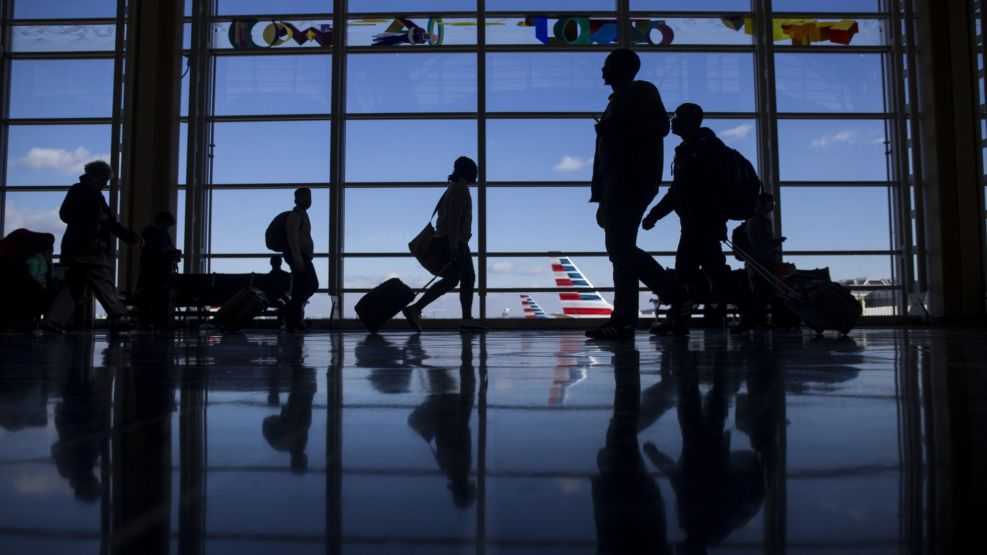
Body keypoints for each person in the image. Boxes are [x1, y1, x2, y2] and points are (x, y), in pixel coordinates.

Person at [587, 48, 686, 341]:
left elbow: (657, 126)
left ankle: (674, 292)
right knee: (622, 252)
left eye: (607, 66)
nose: (602, 71)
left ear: (624, 68)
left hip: (629, 181)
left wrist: (616, 129)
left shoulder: (639, 91)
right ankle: (623, 320)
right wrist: (601, 195)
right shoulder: (619, 100)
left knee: (619, 249)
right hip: (617, 184)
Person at [643, 103, 737, 336]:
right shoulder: (688, 149)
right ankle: (678, 321)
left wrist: (718, 222)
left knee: (700, 272)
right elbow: (678, 192)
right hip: (693, 223)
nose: (673, 120)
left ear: (692, 120)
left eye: (678, 116)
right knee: (698, 272)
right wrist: (655, 215)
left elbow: (717, 190)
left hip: (702, 223)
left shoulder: (707, 150)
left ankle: (679, 320)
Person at [42, 160, 141, 334]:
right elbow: (109, 223)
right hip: (91, 249)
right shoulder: (94, 195)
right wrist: (130, 237)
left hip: (75, 247)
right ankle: (119, 317)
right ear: (95, 177)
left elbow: (65, 215)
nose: (105, 184)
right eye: (103, 179)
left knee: (74, 286)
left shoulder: (78, 190)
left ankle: (54, 320)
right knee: (103, 280)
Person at [402, 157, 485, 334]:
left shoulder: (453, 189)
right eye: (474, 170)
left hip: (456, 240)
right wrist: (454, 247)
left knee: (467, 277)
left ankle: (466, 318)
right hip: (452, 241)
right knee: (453, 279)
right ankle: (416, 308)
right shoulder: (461, 190)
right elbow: (454, 220)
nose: (476, 174)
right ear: (466, 171)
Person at [731, 193, 782, 334]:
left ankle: (759, 319)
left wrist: (772, 244)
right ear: (763, 203)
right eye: (771, 203)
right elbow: (755, 241)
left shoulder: (762, 219)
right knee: (759, 292)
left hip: (762, 260)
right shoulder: (755, 219)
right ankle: (756, 319)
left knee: (763, 292)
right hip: (758, 262)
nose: (772, 206)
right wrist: (765, 252)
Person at [136, 211, 181, 329]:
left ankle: (152, 321)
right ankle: (150, 321)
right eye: (167, 225)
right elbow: (152, 250)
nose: (167, 228)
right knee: (151, 296)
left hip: (158, 271)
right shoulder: (152, 233)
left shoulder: (156, 233)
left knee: (153, 296)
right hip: (153, 271)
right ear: (161, 222)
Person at [281, 187, 318, 332]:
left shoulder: (303, 215)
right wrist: (298, 259)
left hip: (302, 256)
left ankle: (293, 319)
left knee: (299, 289)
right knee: (311, 284)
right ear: (296, 200)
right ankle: (289, 313)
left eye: (309, 198)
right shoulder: (295, 216)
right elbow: (292, 238)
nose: (308, 201)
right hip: (299, 256)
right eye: (304, 198)